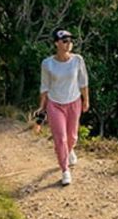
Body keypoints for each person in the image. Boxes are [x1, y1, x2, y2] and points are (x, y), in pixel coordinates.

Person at [36, 28, 89, 186]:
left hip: (74, 102)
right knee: (60, 138)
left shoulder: (77, 60)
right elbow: (44, 86)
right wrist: (41, 107)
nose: (68, 44)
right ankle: (65, 170)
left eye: (70, 41)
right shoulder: (47, 63)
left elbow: (83, 82)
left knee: (72, 137)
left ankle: (69, 149)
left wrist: (86, 100)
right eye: (64, 41)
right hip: (55, 104)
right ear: (56, 43)